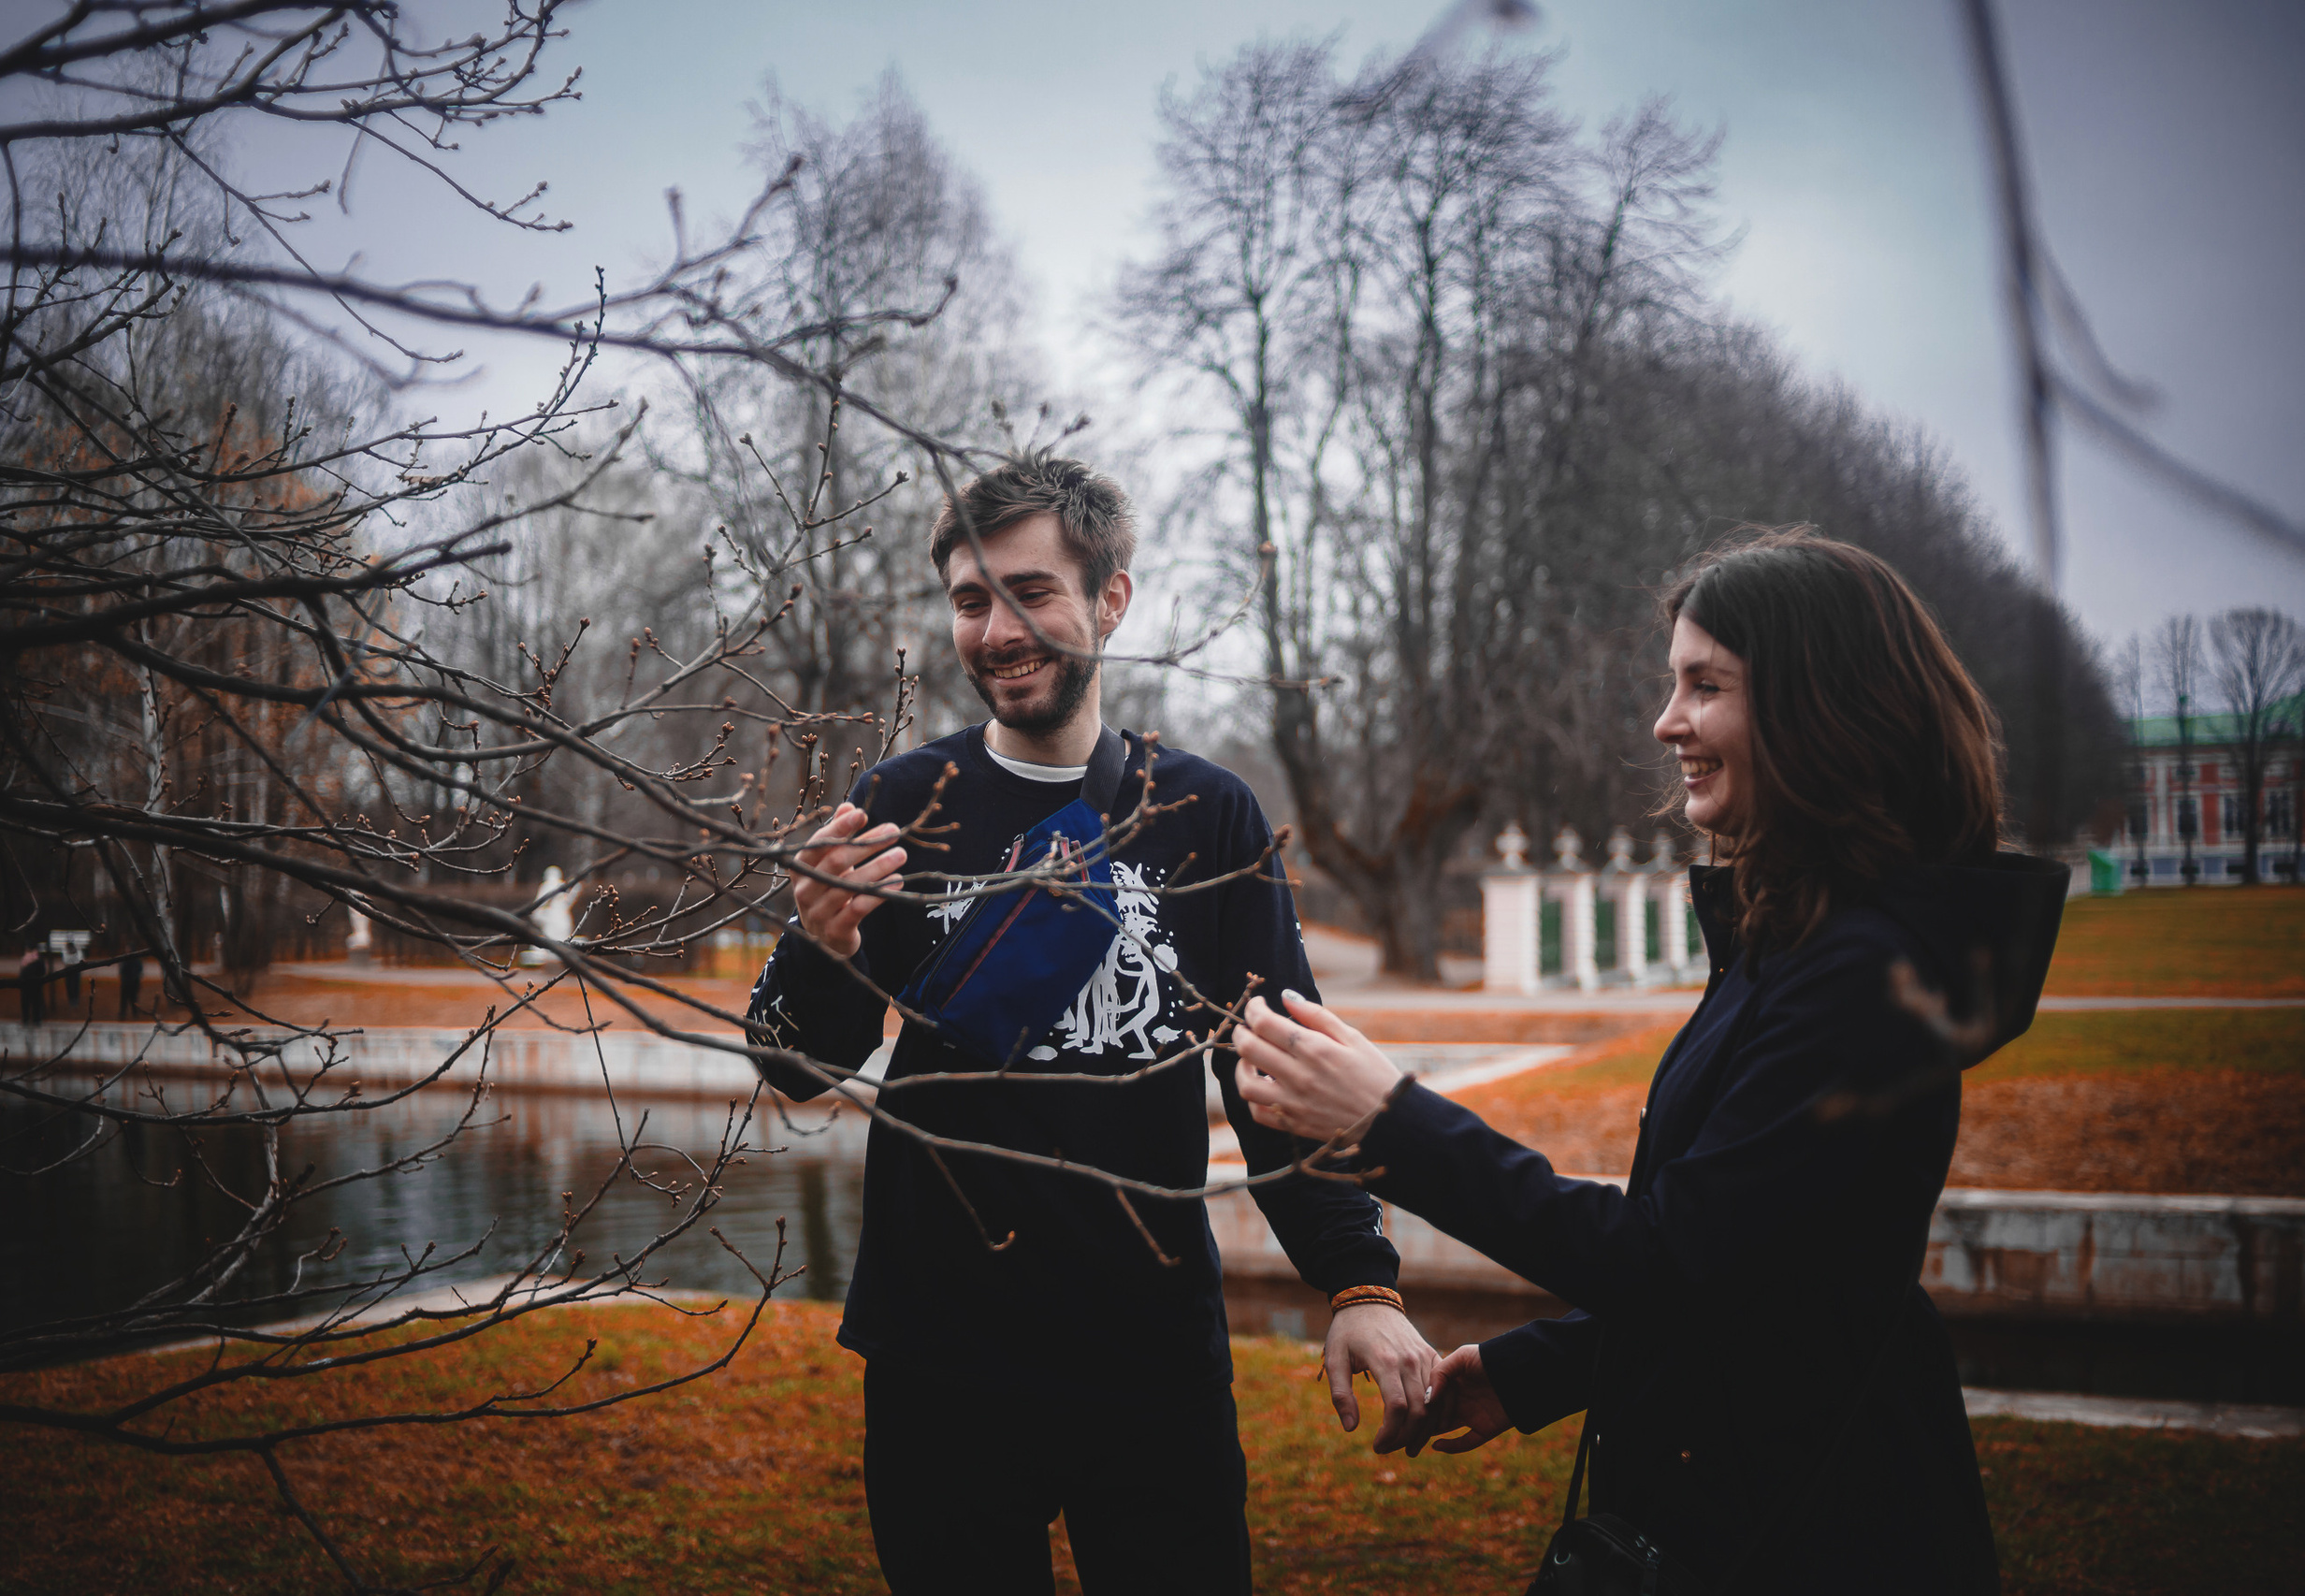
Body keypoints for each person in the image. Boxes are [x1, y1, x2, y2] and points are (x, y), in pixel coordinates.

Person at [1232, 530, 2067, 1593]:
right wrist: (1531, 1367)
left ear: (1820, 706)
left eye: (1703, 684)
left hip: (1818, 1528)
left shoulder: (1863, 973)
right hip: (1736, 1493)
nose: (1666, 721)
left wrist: (1390, 1116)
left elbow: (1670, 1253)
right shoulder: (1794, 941)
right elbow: (1750, 1267)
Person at [747, 453, 1437, 1596]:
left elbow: (1279, 1075)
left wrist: (1359, 1281)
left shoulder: (1206, 814)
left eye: (1030, 592)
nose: (997, 629)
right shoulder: (901, 805)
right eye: (971, 601)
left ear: (1111, 599)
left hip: (1149, 1357)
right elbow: (793, 1065)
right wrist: (816, 942)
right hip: (940, 1361)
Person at [17, 944, 46, 1025]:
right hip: (35, 985)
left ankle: (27, 1019)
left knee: (27, 1003)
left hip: (27, 984)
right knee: (35, 1003)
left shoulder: (26, 959)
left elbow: (22, 973)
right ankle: (36, 1020)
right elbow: (42, 972)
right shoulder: (38, 959)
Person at [117, 948, 146, 1020]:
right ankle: (123, 1014)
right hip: (126, 983)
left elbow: (139, 970)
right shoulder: (125, 960)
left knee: (133, 999)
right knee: (125, 999)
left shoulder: (135, 960)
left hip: (132, 983)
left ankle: (134, 1013)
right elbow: (122, 970)